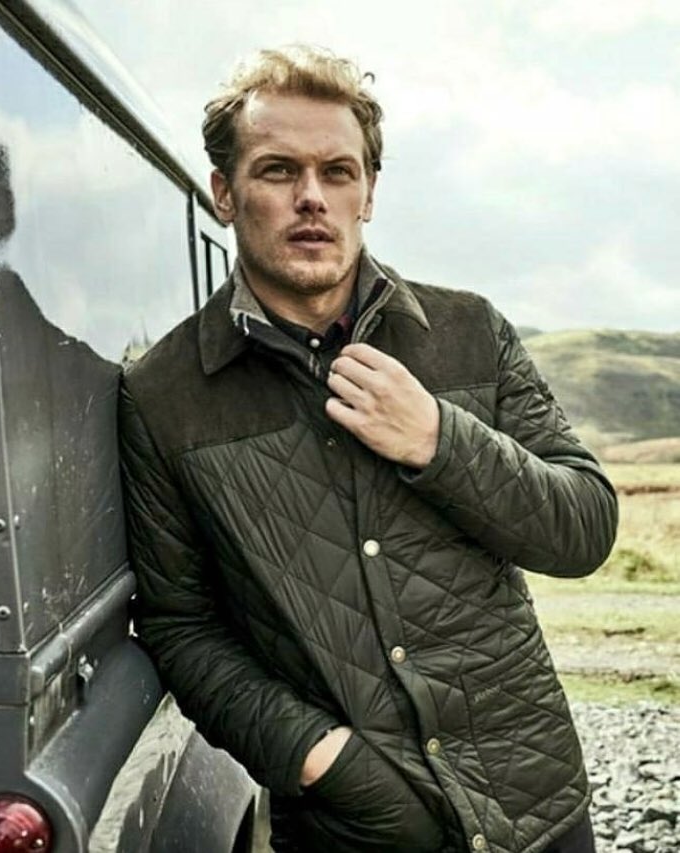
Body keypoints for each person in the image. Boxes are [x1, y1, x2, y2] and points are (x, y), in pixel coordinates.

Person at [119, 46, 618, 853]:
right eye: (278, 170)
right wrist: (322, 759)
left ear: (370, 192)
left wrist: (439, 439)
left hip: (535, 809)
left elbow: (584, 526)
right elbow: (181, 624)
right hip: (351, 828)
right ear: (225, 192)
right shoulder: (164, 396)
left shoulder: (469, 332)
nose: (312, 197)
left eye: (338, 171)